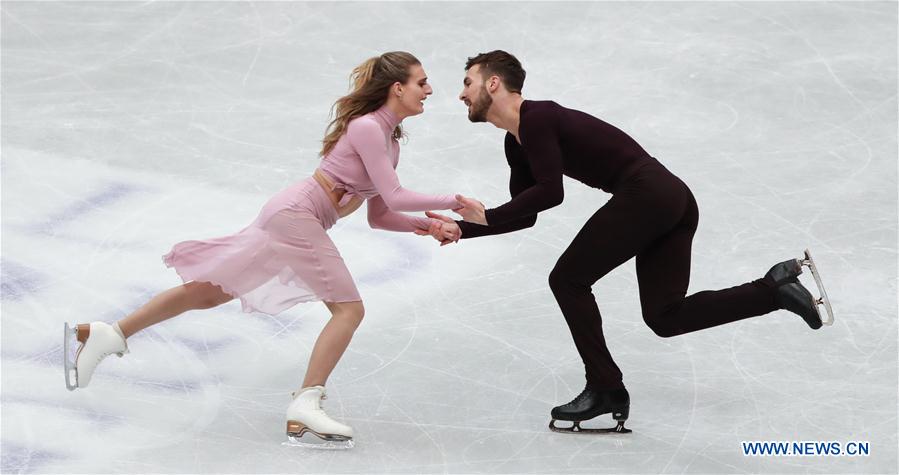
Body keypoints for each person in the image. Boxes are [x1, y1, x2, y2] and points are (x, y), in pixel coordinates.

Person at [63, 51, 470, 449]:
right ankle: (307, 401)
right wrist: (453, 200)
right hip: (296, 215)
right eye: (422, 82)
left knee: (209, 291)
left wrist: (430, 225)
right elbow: (396, 196)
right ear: (397, 88)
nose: (429, 90)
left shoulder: (388, 141)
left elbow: (380, 214)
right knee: (349, 310)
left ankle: (109, 333)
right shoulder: (367, 127)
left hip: (293, 216)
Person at [421, 50, 833, 434]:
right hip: (669, 197)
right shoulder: (517, 142)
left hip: (649, 192)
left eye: (468, 83)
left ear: (493, 84)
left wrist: (487, 216)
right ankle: (775, 290)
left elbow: (551, 192)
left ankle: (605, 388)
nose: (461, 93)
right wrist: (464, 229)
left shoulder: (538, 119)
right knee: (665, 317)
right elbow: (526, 213)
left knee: (567, 279)